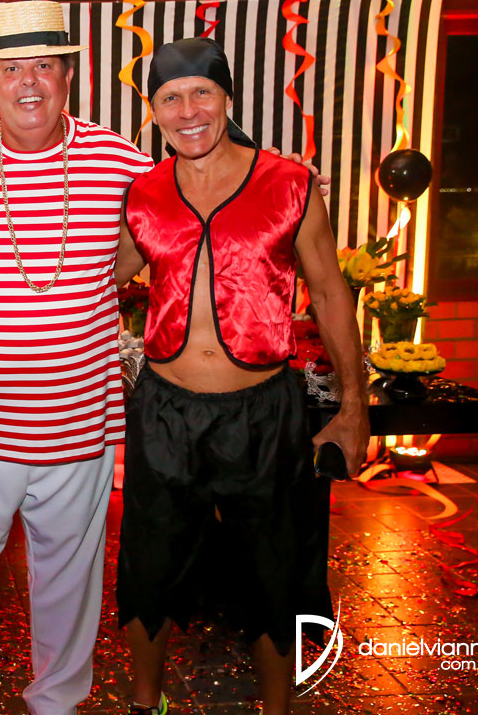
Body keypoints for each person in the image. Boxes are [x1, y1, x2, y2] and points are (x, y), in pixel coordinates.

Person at [0, 0, 156, 715]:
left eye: (44, 65)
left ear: (69, 76)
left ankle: (56, 702)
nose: (28, 82)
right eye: (12, 67)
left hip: (79, 422)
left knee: (70, 581)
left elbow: (161, 231)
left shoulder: (121, 162)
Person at [114, 38, 368, 715]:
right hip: (164, 411)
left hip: (263, 411)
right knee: (149, 563)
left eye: (202, 92)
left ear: (227, 97)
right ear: (154, 112)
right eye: (170, 97)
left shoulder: (288, 183)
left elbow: (330, 291)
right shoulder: (142, 193)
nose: (188, 110)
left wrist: (354, 407)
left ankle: (276, 709)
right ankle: (145, 704)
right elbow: (91, 280)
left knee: (272, 567)